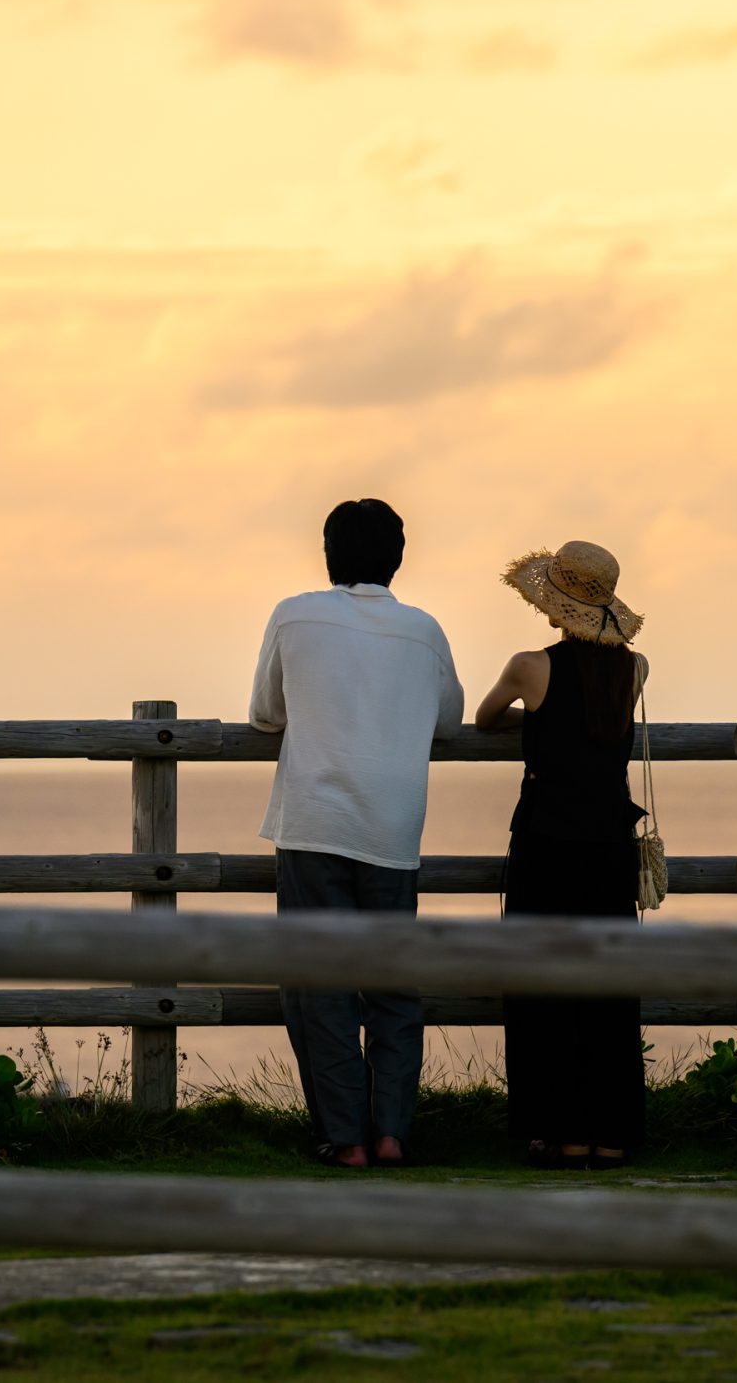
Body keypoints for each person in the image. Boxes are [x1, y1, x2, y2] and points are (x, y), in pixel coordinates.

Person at [249, 498, 464, 1169]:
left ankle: (346, 1138)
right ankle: (393, 1130)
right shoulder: (424, 631)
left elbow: (263, 713)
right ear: (397, 558)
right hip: (394, 826)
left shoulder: (294, 613)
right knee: (393, 981)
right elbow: (451, 720)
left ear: (328, 553)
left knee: (320, 981)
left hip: (315, 821)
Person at [473, 540, 650, 1170]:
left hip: (547, 843)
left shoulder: (528, 667)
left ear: (554, 605)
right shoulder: (635, 669)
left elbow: (486, 717)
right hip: (609, 845)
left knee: (541, 987)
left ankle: (559, 1130)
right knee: (608, 987)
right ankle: (611, 1132)